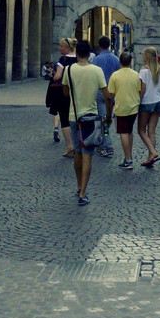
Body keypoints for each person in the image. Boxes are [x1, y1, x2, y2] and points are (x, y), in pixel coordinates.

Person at [61, 40, 111, 206]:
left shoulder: (68, 70)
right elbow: (106, 95)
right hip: (91, 117)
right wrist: (109, 115)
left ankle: (78, 185)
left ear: (77, 54)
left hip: (74, 117)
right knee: (88, 153)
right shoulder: (97, 71)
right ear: (89, 54)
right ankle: (83, 192)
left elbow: (66, 93)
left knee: (77, 151)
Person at [106, 51, 150, 169]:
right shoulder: (136, 75)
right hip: (134, 107)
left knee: (123, 133)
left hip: (121, 107)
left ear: (120, 61)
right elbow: (141, 89)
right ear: (130, 62)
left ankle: (128, 159)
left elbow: (111, 93)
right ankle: (128, 156)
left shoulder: (115, 75)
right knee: (129, 131)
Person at [90, 36, 120, 158]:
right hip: (113, 93)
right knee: (107, 119)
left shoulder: (96, 60)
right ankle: (102, 140)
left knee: (103, 120)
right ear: (109, 45)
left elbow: (92, 78)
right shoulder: (116, 59)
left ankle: (106, 145)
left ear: (100, 45)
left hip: (100, 92)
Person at [46, 38, 77, 157]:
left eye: (62, 46)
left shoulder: (63, 60)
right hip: (76, 91)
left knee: (64, 119)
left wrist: (52, 75)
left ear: (67, 47)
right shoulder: (78, 58)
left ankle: (70, 147)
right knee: (75, 117)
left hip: (63, 91)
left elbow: (57, 77)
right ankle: (78, 144)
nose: (59, 48)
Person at [137, 46, 160, 167]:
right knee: (152, 131)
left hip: (146, 103)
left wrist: (138, 101)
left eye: (143, 55)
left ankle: (153, 153)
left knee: (141, 131)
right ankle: (150, 158)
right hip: (158, 101)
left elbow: (142, 89)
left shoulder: (143, 71)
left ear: (147, 57)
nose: (142, 57)